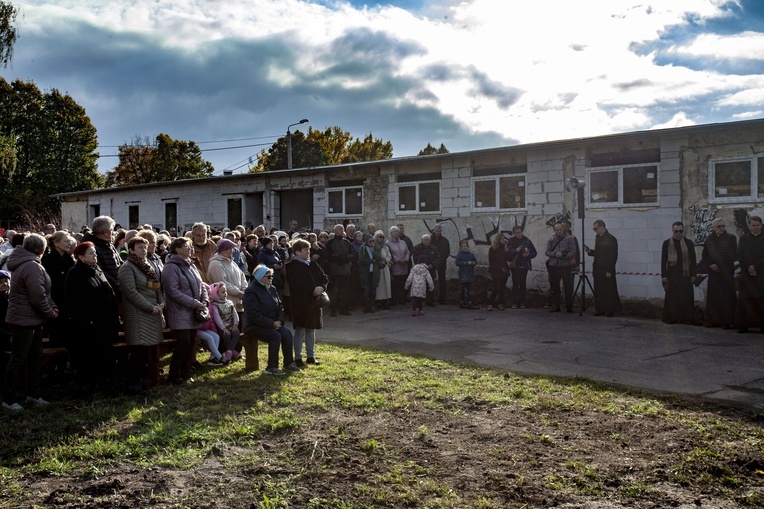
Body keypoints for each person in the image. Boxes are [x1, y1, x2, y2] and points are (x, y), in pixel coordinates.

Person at [2, 234, 58, 411]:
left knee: (35, 356)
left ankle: (33, 393)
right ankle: (9, 399)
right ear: (41, 249)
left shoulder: (25, 263)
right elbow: (37, 296)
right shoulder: (32, 266)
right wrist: (50, 312)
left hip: (30, 318)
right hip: (24, 319)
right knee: (19, 358)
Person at [118, 236, 166, 393]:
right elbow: (130, 292)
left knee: (147, 351)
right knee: (139, 350)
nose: (144, 250)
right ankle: (132, 383)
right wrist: (149, 307)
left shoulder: (147, 266)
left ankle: (143, 379)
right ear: (131, 249)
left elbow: (156, 287)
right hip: (138, 315)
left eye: (145, 247)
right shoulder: (127, 267)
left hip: (152, 313)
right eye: (140, 247)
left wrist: (160, 303)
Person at [162, 237, 209, 385]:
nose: (191, 249)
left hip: (194, 311)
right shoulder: (171, 267)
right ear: (177, 249)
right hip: (180, 312)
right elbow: (173, 291)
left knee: (190, 345)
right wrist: (194, 303)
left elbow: (201, 285)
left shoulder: (191, 265)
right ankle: (174, 376)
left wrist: (205, 300)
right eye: (187, 247)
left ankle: (185, 373)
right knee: (183, 344)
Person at [244, 265, 300, 375]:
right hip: (254, 326)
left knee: (287, 334)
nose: (271, 278)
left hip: (273, 323)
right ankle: (271, 367)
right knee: (275, 336)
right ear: (260, 277)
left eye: (272, 276)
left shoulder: (272, 289)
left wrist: (279, 320)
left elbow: (280, 307)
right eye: (268, 277)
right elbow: (253, 315)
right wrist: (271, 324)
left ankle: (289, 363)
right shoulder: (251, 291)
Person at [286, 238, 329, 366]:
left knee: (312, 329)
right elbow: (296, 284)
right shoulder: (291, 266)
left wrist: (322, 287)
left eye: (308, 250)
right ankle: (298, 358)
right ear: (297, 252)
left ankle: (311, 356)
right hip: (301, 303)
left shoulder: (313, 264)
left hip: (314, 302)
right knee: (300, 330)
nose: (308, 253)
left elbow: (324, 277)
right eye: (305, 250)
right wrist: (313, 290)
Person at [700, 218, 737, 328]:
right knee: (713, 297)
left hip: (726, 272)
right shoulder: (708, 239)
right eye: (718, 226)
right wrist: (711, 265)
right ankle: (713, 320)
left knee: (727, 297)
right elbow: (705, 255)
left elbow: (731, 255)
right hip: (713, 273)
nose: (721, 228)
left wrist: (719, 266)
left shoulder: (731, 238)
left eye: (723, 226)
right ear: (713, 228)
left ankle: (727, 321)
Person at [660, 222, 697, 325]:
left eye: (680, 231)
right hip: (672, 276)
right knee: (672, 299)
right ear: (672, 231)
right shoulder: (667, 243)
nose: (678, 233)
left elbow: (693, 261)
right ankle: (672, 318)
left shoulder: (688, 243)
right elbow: (663, 261)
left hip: (686, 276)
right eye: (676, 231)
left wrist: (694, 275)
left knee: (686, 298)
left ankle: (686, 318)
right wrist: (664, 276)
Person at [585, 220, 622, 317]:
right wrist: (590, 251)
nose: (594, 230)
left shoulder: (611, 239)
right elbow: (599, 253)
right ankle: (600, 309)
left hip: (606, 269)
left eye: (596, 228)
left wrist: (609, 270)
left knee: (608, 290)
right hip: (598, 268)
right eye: (594, 228)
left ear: (602, 227)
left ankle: (610, 309)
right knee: (599, 289)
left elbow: (612, 256)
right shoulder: (598, 238)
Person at [81, 216, 122, 297]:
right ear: (105, 232)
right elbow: (99, 271)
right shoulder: (92, 248)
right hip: (106, 291)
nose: (113, 233)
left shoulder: (109, 244)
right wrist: (117, 284)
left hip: (117, 289)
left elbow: (120, 262)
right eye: (112, 230)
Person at [736, 216, 764, 333]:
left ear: (761, 225)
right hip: (747, 274)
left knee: (761, 299)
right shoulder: (743, 238)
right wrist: (748, 267)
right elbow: (740, 255)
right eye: (753, 225)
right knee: (745, 300)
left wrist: (755, 267)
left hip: (762, 273)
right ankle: (744, 325)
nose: (755, 227)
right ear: (749, 226)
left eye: (757, 225)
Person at [325, 224, 355, 316]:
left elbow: (353, 253)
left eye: (342, 229)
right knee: (335, 290)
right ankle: (333, 310)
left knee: (345, 291)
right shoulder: (330, 242)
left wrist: (346, 258)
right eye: (339, 229)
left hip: (346, 270)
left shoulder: (346, 242)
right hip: (335, 270)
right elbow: (328, 255)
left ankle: (344, 309)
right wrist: (339, 258)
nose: (342, 230)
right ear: (335, 231)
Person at [546, 223, 576, 313]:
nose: (559, 231)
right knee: (555, 286)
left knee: (568, 286)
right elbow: (547, 252)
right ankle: (556, 305)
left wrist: (563, 255)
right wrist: (555, 254)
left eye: (560, 229)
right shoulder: (551, 239)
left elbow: (573, 251)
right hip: (554, 266)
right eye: (557, 230)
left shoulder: (569, 239)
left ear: (563, 229)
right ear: (554, 231)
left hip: (565, 266)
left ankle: (569, 306)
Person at [208, 282, 240, 362]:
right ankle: (232, 352)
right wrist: (223, 328)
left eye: (225, 291)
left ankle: (229, 351)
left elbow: (235, 314)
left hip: (231, 326)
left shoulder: (229, 302)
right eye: (222, 292)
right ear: (216, 294)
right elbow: (217, 318)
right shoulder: (215, 305)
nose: (225, 294)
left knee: (236, 333)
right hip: (222, 328)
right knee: (226, 336)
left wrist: (235, 324)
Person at [507, 225, 537, 309]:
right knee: (515, 284)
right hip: (515, 266)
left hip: (524, 265)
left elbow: (535, 252)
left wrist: (528, 255)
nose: (519, 234)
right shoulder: (511, 241)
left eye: (520, 232)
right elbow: (508, 252)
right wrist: (515, 250)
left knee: (523, 284)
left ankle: (522, 302)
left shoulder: (527, 241)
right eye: (517, 233)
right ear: (514, 233)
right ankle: (515, 302)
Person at [358, 234, 383, 313]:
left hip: (374, 272)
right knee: (366, 290)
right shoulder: (363, 248)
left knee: (373, 290)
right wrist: (372, 261)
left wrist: (373, 252)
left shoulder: (377, 247)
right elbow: (362, 260)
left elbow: (379, 258)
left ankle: (372, 306)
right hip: (366, 272)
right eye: (370, 241)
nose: (372, 242)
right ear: (366, 241)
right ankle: (367, 306)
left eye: (373, 241)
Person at [413, 234, 439, 306]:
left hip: (431, 270)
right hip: (420, 271)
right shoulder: (417, 247)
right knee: (420, 285)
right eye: (425, 240)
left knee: (431, 285)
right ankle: (419, 301)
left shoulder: (434, 248)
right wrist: (421, 265)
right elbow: (415, 257)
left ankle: (430, 301)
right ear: (422, 240)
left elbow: (437, 258)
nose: (427, 242)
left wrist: (432, 265)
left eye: (428, 240)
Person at [387, 226, 410, 306]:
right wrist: (398, 260)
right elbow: (390, 254)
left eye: (398, 231)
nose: (397, 233)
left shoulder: (403, 242)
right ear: (391, 233)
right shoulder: (388, 243)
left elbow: (407, 251)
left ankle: (402, 299)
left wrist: (406, 259)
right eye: (395, 232)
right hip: (395, 267)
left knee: (403, 283)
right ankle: (394, 300)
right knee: (395, 284)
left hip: (404, 266)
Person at [487, 233, 510, 311]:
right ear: (498, 240)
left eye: (504, 238)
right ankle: (490, 303)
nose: (504, 240)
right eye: (502, 239)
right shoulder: (492, 249)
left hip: (505, 271)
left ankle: (500, 303)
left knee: (502, 288)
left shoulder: (505, 248)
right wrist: (500, 268)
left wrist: (508, 250)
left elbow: (510, 259)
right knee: (497, 287)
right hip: (496, 271)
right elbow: (492, 261)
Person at [454, 240, 479, 308]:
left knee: (466, 287)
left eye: (465, 246)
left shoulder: (471, 254)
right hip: (463, 273)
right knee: (465, 287)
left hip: (470, 272)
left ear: (467, 247)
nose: (464, 248)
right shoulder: (459, 255)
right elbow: (457, 263)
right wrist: (466, 263)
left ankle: (462, 301)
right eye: (462, 246)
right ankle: (469, 302)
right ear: (460, 247)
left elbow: (475, 261)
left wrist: (474, 263)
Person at [431, 225, 451, 304]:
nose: (438, 233)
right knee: (431, 280)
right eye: (437, 231)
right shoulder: (430, 239)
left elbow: (447, 252)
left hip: (442, 263)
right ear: (434, 231)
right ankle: (430, 298)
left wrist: (441, 260)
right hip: (431, 263)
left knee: (442, 280)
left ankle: (442, 298)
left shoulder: (444, 240)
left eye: (439, 231)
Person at [373, 230, 393, 309]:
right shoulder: (374, 246)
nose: (381, 239)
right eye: (379, 237)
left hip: (385, 267)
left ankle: (386, 301)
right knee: (379, 286)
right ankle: (378, 301)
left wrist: (386, 260)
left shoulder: (385, 247)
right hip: (378, 268)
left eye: (382, 237)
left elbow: (389, 256)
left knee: (386, 285)